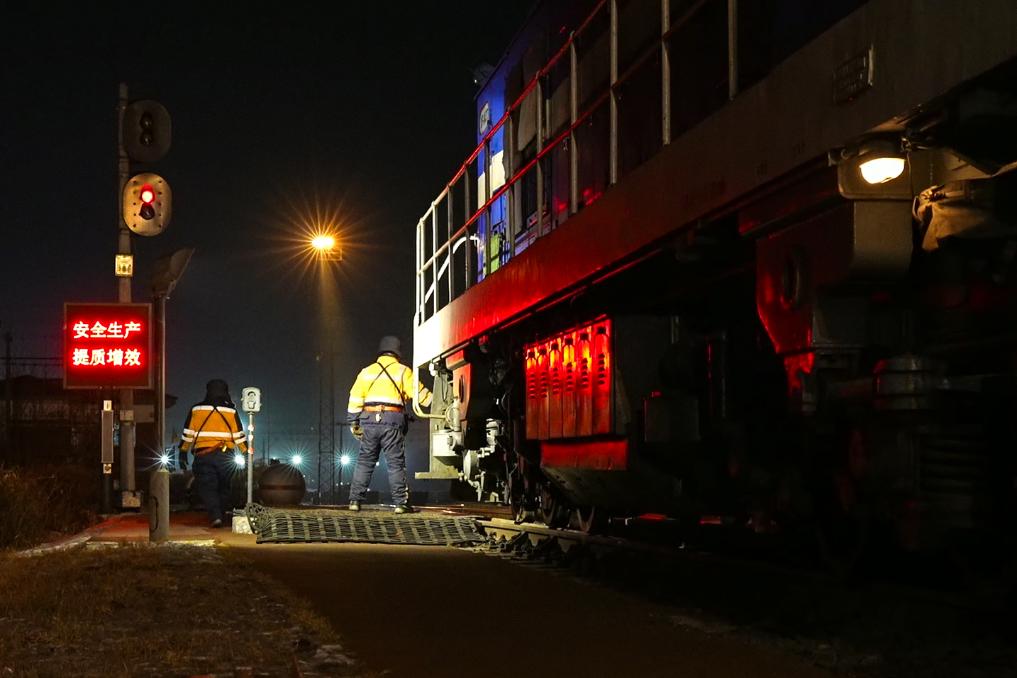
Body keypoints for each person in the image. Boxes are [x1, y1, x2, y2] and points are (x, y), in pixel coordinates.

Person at [346, 336, 432, 513]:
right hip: (393, 422)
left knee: (364, 462)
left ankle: (355, 501)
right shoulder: (403, 371)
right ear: (398, 353)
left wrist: (353, 421)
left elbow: (355, 397)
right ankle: (401, 504)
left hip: (369, 421)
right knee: (395, 464)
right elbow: (421, 396)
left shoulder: (366, 372)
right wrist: (441, 401)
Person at [179, 379, 247, 527]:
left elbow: (188, 433)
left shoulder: (196, 409)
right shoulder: (231, 411)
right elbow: (238, 435)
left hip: (204, 455)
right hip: (226, 456)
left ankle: (216, 516)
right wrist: (246, 452)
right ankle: (220, 514)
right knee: (224, 486)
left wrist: (183, 452)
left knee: (207, 487)